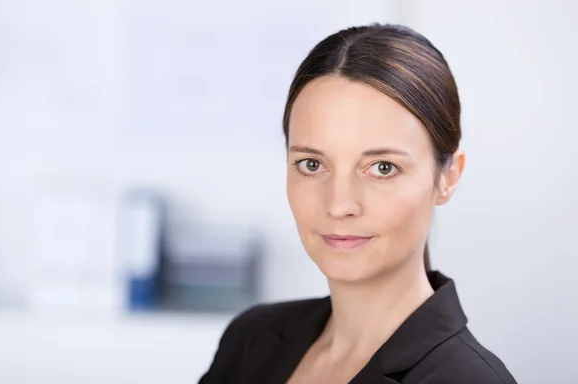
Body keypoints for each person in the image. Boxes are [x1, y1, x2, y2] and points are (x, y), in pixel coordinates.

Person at [198, 23, 517, 383]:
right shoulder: (250, 339)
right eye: (312, 164)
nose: (339, 205)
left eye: (383, 168)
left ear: (448, 177)